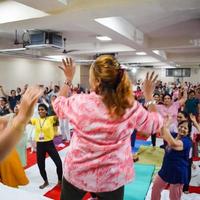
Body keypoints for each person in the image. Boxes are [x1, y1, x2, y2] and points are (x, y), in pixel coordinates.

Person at [53, 56, 163, 200]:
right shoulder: (129, 107)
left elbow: (58, 104)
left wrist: (68, 79)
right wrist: (149, 97)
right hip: (112, 177)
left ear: (97, 81)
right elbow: (155, 124)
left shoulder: (79, 102)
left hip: (78, 172)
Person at [151, 118, 192, 200]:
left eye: (185, 128)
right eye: (181, 126)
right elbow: (162, 133)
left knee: (174, 197)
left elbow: (174, 144)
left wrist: (166, 127)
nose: (182, 129)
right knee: (155, 188)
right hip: (165, 169)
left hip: (178, 173)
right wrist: (166, 122)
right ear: (178, 126)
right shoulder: (173, 135)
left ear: (188, 132)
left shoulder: (187, 141)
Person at [0, 86, 41, 161]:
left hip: (34, 123)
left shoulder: (36, 106)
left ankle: (36, 148)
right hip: (26, 123)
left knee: (33, 137)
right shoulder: (12, 115)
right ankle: (33, 148)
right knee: (29, 138)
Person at [29, 103, 63, 189]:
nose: (40, 111)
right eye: (39, 109)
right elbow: (25, 120)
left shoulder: (50, 119)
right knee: (41, 165)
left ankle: (60, 181)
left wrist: (58, 103)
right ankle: (45, 181)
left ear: (46, 111)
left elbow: (59, 114)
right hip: (40, 145)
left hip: (49, 144)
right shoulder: (35, 120)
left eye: (42, 109)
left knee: (59, 163)